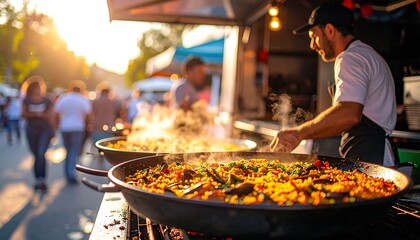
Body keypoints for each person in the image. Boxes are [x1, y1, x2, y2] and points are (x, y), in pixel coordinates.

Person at [270, 3, 397, 166]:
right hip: (372, 154)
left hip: (372, 158)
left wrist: (298, 133)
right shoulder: (365, 54)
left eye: (314, 36)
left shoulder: (350, 58)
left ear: (330, 30)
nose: (312, 45)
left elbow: (349, 113)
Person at [21, 75, 55, 192]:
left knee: (41, 153)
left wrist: (53, 131)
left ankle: (43, 179)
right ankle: (37, 179)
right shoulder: (27, 99)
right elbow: (24, 114)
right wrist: (38, 114)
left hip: (44, 129)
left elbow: (51, 116)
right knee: (36, 155)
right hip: (31, 129)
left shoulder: (47, 100)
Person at [54, 80, 92, 183]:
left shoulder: (63, 98)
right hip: (77, 127)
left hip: (65, 127)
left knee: (68, 151)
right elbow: (88, 115)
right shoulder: (83, 99)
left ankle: (68, 172)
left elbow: (56, 113)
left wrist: (56, 126)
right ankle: (71, 173)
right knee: (74, 151)